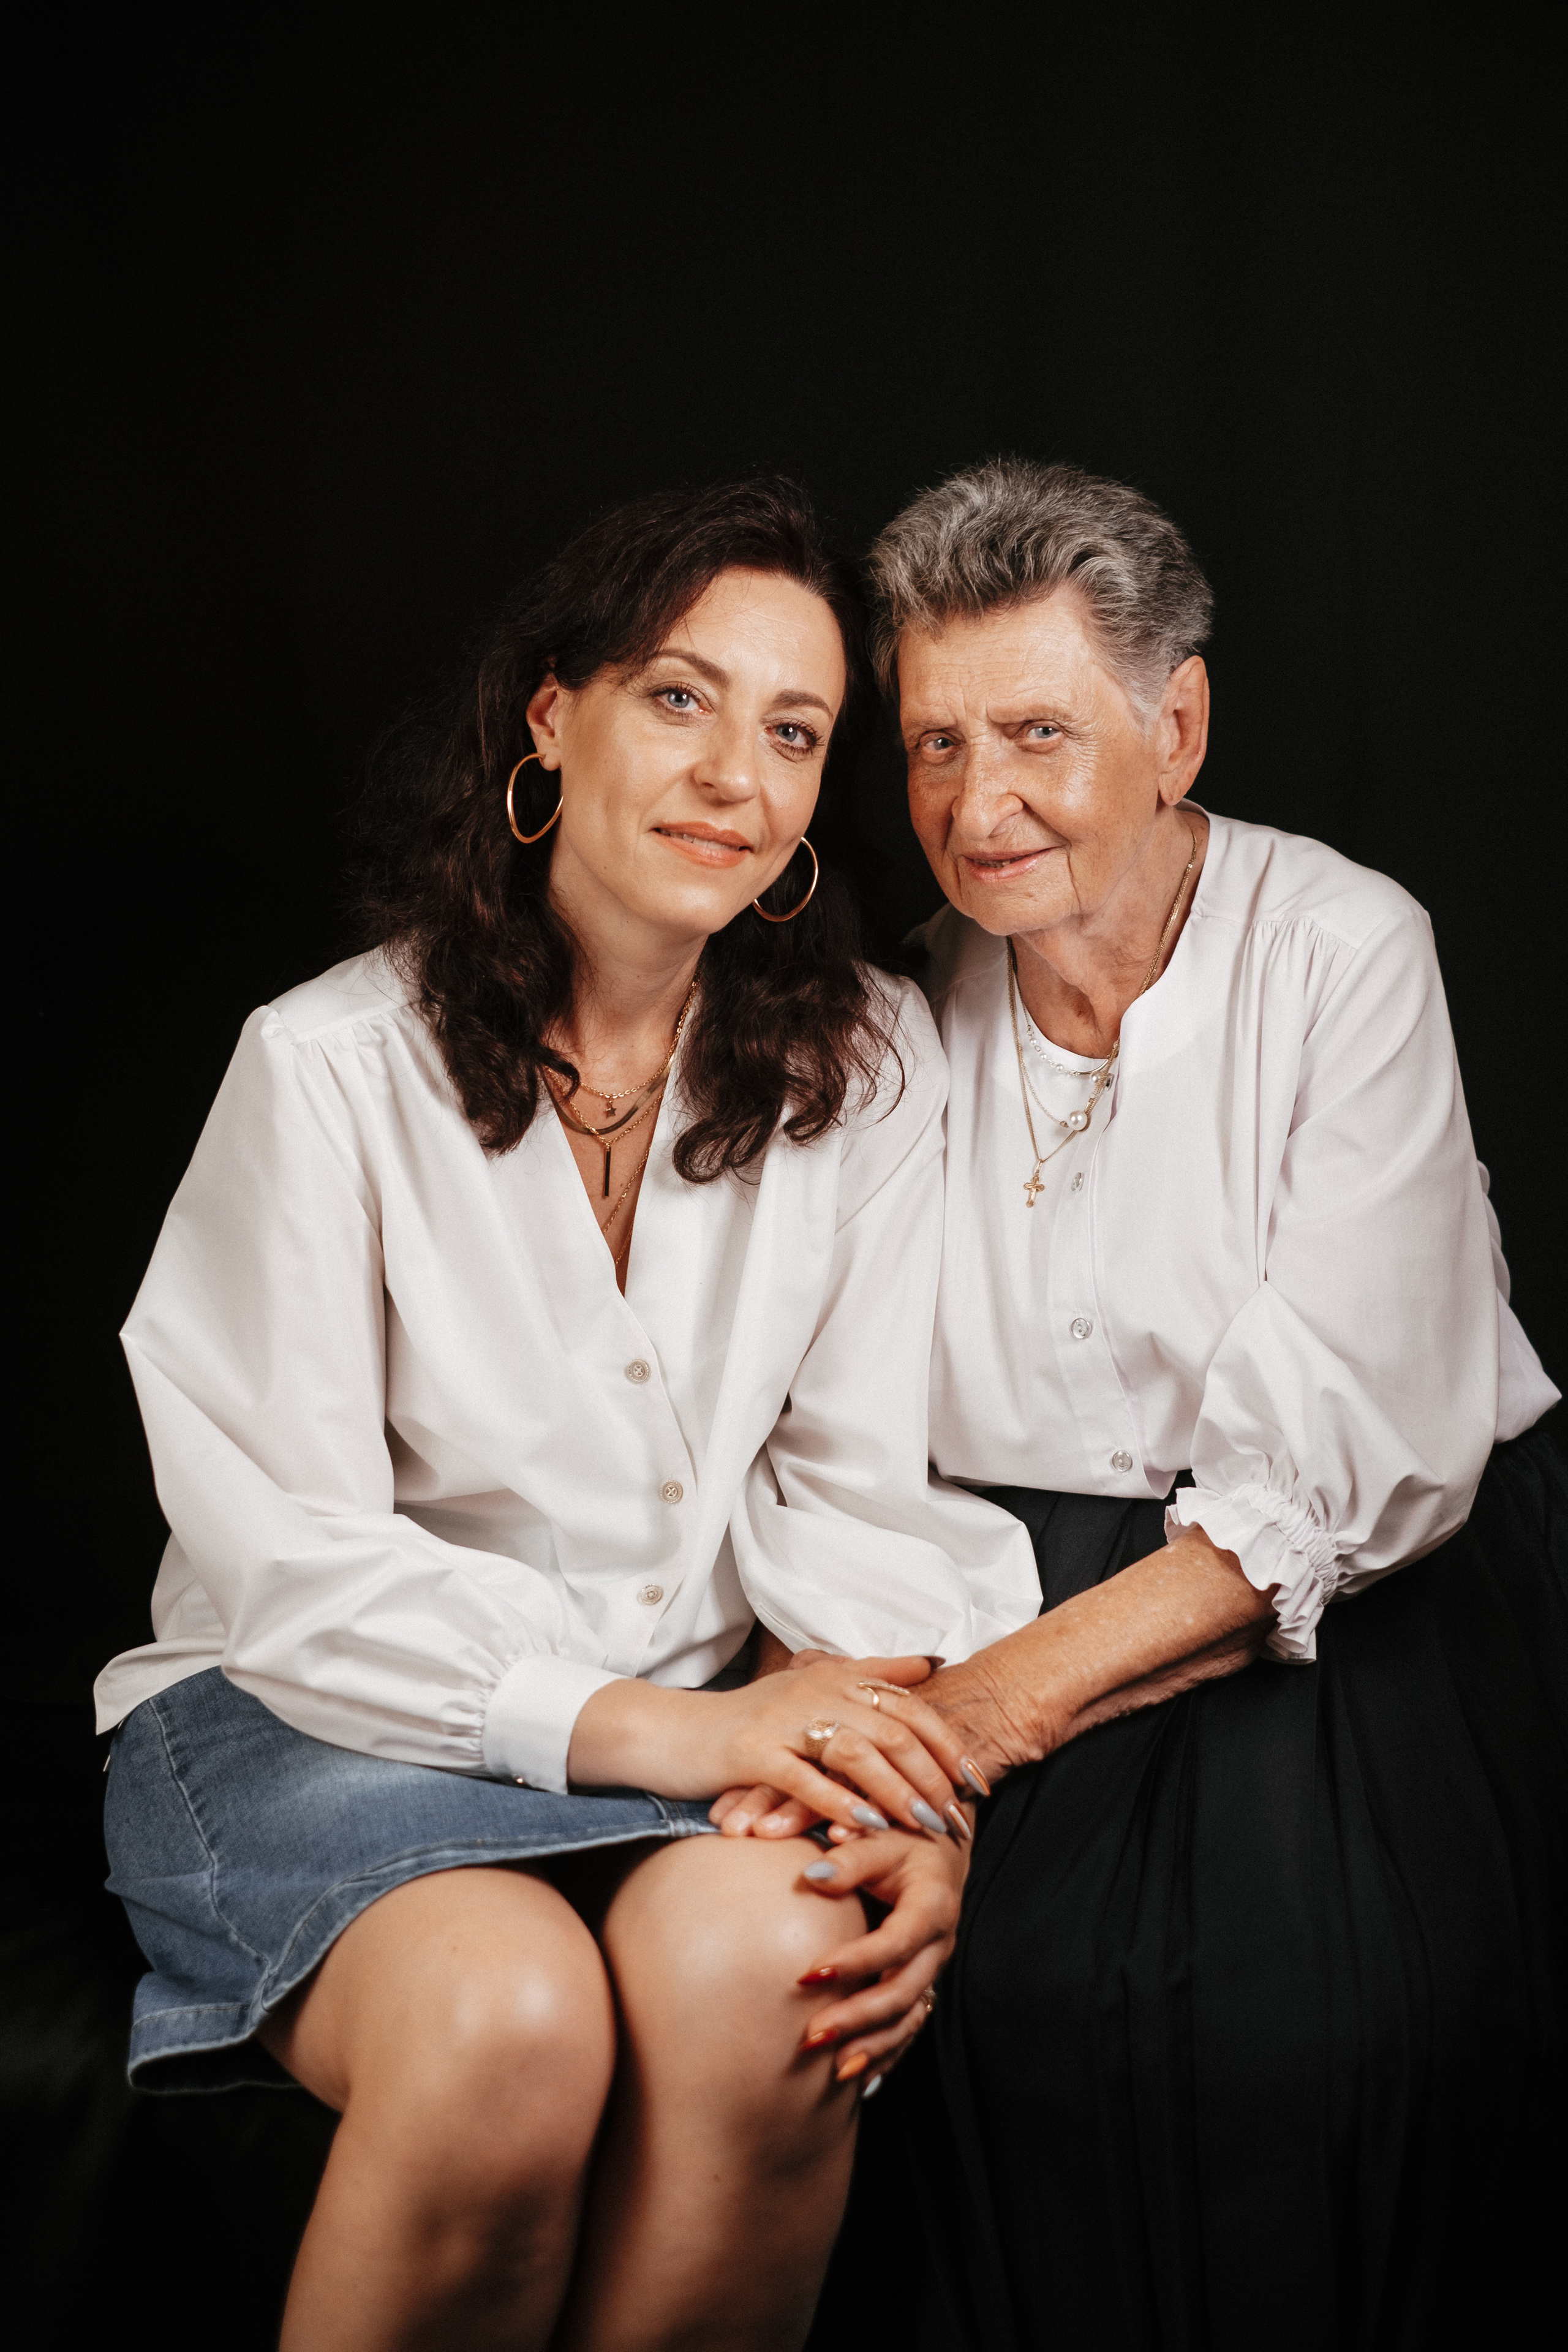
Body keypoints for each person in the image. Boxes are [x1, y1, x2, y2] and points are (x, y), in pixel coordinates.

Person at [94, 478, 1041, 2352]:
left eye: (796, 733)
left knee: (784, 1980)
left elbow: (852, 1499)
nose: (734, 776)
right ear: (551, 719)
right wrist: (675, 1738)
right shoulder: (328, 1069)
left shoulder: (865, 1068)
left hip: (696, 1712)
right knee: (507, 2021)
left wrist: (894, 1796)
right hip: (311, 1710)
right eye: (681, 698)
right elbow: (287, 1564)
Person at [804, 461, 1567, 2349]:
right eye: (935, 743)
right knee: (912, 2023)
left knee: (1309, 2025)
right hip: (992, 1586)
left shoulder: (1345, 951)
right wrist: (912, 1744)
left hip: (1346, 1593)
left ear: (1179, 728)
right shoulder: (892, 1018)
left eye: (1039, 733)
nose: (977, 804)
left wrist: (952, 1744)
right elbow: (850, 1448)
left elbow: (1328, 1477)